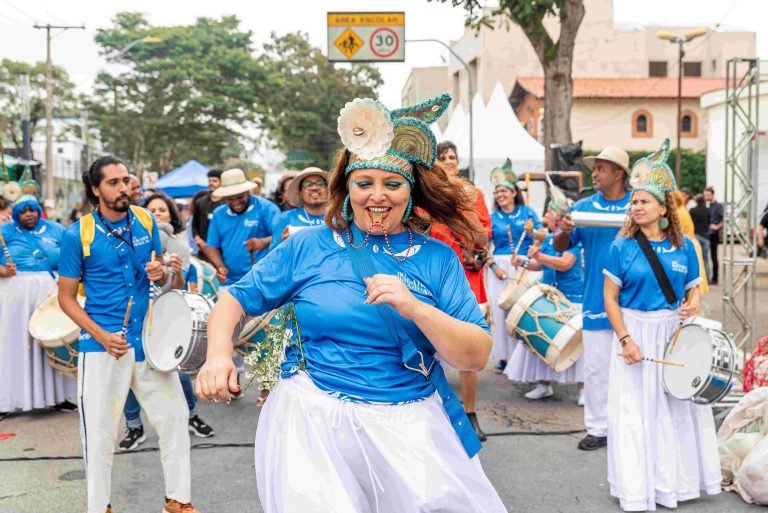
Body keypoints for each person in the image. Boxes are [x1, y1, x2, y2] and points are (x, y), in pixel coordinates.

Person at [196, 93, 507, 513]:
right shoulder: (309, 246)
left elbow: (475, 355)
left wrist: (415, 307)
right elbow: (234, 298)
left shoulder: (437, 258)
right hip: (314, 418)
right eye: (365, 183)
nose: (377, 197)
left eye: (392, 184)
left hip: (409, 420)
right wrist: (218, 356)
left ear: (410, 192)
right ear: (346, 189)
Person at [58, 156, 200, 513]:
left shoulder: (146, 220)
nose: (124, 188)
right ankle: (99, 507)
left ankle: (179, 501)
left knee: (174, 419)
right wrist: (101, 336)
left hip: (148, 341)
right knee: (100, 435)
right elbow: (65, 298)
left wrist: (160, 269)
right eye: (114, 182)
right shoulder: (78, 234)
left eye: (126, 180)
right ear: (95, 190)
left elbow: (162, 274)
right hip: (102, 346)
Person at [603, 140, 720, 511]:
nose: (636, 207)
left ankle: (677, 484)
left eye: (643, 201)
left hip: (673, 335)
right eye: (633, 201)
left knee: (675, 410)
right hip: (634, 332)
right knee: (634, 413)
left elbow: (694, 290)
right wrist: (625, 340)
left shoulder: (684, 246)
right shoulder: (621, 246)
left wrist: (693, 303)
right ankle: (638, 490)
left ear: (662, 206)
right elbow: (610, 299)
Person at [119, 194, 215, 451]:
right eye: (152, 210)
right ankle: (133, 426)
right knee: (129, 371)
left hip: (164, 315)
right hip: (134, 315)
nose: (158, 214)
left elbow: (179, 288)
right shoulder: (128, 241)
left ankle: (191, 416)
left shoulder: (179, 248)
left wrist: (173, 270)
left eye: (162, 209)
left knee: (173, 369)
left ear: (172, 215)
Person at [555, 145, 631, 451]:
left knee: (631, 368)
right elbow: (562, 244)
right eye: (594, 168)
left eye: (601, 168)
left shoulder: (637, 205)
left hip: (634, 303)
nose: (594, 174)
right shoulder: (583, 207)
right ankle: (598, 428)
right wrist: (562, 229)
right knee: (597, 369)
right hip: (597, 301)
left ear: (618, 173)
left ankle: (629, 426)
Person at [430, 140, 492, 441]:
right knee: (429, 351)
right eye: (442, 157)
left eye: (453, 157)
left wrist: (458, 203)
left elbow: (482, 234)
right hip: (430, 281)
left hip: (467, 280)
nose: (449, 161)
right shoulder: (423, 197)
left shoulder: (472, 194)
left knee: (470, 350)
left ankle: (470, 414)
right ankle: (435, 413)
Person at [203, 168, 280, 401]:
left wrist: (263, 241)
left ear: (248, 192)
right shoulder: (218, 215)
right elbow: (212, 245)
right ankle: (231, 382)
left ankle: (267, 387)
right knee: (230, 336)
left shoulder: (266, 208)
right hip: (232, 285)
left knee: (268, 336)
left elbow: (282, 236)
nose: (236, 201)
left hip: (264, 284)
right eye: (231, 198)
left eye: (240, 196)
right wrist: (218, 266)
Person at [0, 193, 76, 419]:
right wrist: (3, 271)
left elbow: (73, 258)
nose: (28, 214)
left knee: (50, 342)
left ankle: (58, 397)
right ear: (15, 214)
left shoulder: (57, 230)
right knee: (15, 345)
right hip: (15, 295)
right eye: (22, 211)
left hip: (48, 292)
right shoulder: (5, 232)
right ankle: (6, 400)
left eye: (32, 209)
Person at [506, 204, 585, 403]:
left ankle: (584, 389)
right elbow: (539, 265)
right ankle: (544, 385)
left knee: (576, 342)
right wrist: (522, 262)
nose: (545, 215)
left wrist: (538, 255)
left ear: (558, 216)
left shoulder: (571, 237)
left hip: (571, 295)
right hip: (549, 293)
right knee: (540, 341)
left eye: (549, 211)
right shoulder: (549, 238)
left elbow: (566, 263)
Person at [485, 160, 542, 374]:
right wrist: (494, 269)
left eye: (503, 191)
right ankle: (504, 355)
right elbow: (483, 247)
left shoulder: (527, 212)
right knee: (501, 312)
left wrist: (532, 232)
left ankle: (523, 354)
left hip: (526, 265)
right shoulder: (492, 218)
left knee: (523, 310)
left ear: (513, 192)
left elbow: (543, 237)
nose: (500, 195)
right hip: (500, 266)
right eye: (497, 191)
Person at [269, 167, 329, 250]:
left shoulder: (339, 217)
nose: (314, 188)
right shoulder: (285, 219)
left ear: (327, 189)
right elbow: (272, 256)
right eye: (308, 184)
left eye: (320, 183)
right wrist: (284, 245)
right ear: (300, 192)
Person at [673, 191, 708, 294]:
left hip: (687, 245)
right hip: (691, 242)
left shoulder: (678, 213)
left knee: (692, 282)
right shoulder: (682, 209)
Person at [191, 168, 223, 262]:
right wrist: (198, 239)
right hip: (202, 251)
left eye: (215, 181)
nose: (211, 183)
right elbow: (194, 224)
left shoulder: (227, 203)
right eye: (209, 180)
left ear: (221, 182)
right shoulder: (200, 202)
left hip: (221, 251)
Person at [703, 186, 724, 284]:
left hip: (714, 234)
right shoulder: (706, 206)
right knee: (705, 256)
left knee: (713, 256)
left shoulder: (718, 206)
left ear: (712, 194)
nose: (706, 197)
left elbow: (725, 219)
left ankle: (715, 277)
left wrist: (717, 226)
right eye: (705, 195)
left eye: (708, 195)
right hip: (706, 234)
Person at [689, 194, 711, 282]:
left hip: (696, 235)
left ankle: (698, 279)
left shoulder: (692, 210)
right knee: (706, 258)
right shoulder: (708, 210)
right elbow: (710, 221)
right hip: (706, 236)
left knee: (697, 259)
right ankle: (707, 278)